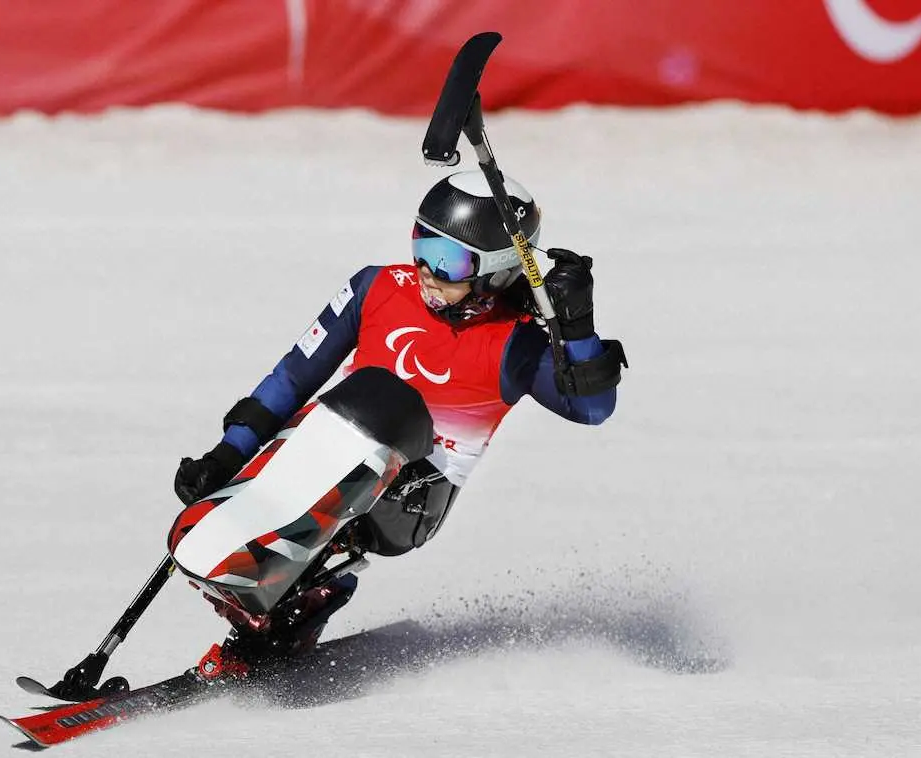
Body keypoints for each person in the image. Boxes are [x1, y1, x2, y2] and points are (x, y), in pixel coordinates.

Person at [174, 170, 626, 668]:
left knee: (382, 403)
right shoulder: (377, 287)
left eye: (449, 260)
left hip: (411, 499)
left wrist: (576, 324)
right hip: (321, 451)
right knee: (336, 413)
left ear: (495, 270)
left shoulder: (516, 343)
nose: (427, 270)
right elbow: (292, 378)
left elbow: (592, 408)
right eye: (422, 244)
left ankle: (301, 597)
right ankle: (259, 590)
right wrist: (228, 454)